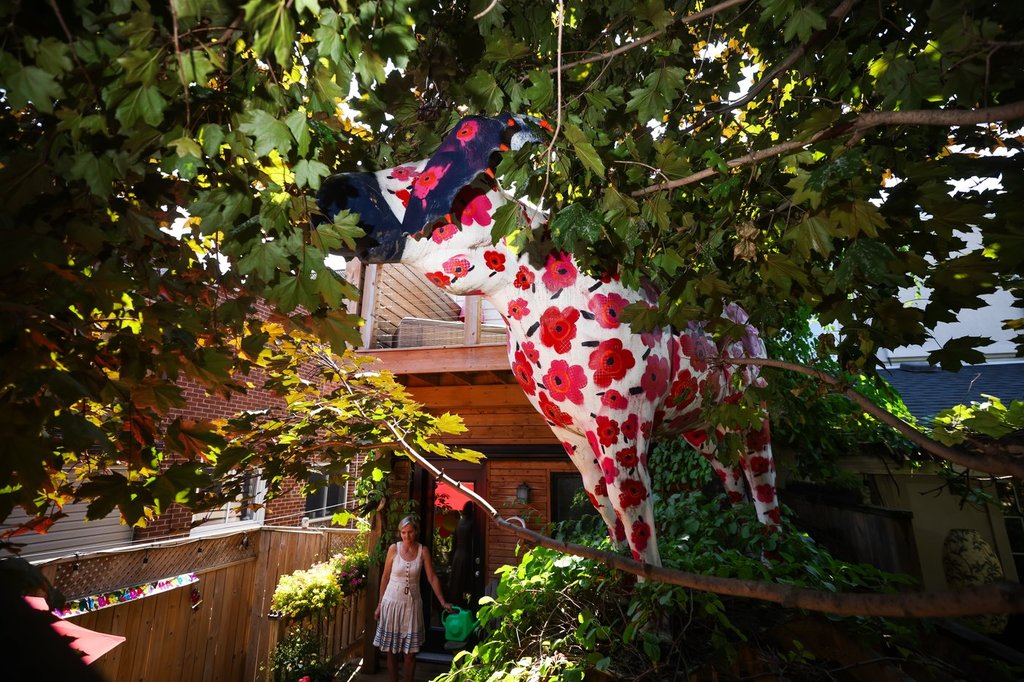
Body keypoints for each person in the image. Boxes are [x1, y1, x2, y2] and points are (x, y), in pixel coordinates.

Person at [373, 515, 452, 682]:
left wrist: (443, 601)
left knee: (410, 654)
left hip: (412, 606)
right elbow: (385, 578)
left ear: (416, 532)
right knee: (392, 651)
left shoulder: (423, 551)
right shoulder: (393, 549)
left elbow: (432, 578)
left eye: (409, 532)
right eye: (403, 532)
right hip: (391, 603)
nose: (406, 536)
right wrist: (380, 605)